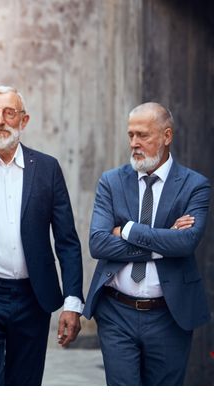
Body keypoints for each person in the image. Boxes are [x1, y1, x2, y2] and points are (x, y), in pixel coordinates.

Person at [0, 85, 84, 385]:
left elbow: (67, 241)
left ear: (24, 120)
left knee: (26, 383)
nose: (0, 121)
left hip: (33, 295)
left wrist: (72, 302)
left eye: (9, 113)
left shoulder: (47, 168)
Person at [84, 102, 211, 385]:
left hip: (169, 314)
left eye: (143, 135)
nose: (134, 143)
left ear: (167, 136)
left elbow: (186, 243)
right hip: (116, 312)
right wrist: (163, 242)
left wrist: (127, 229)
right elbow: (98, 244)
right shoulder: (111, 182)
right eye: (131, 135)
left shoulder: (194, 185)